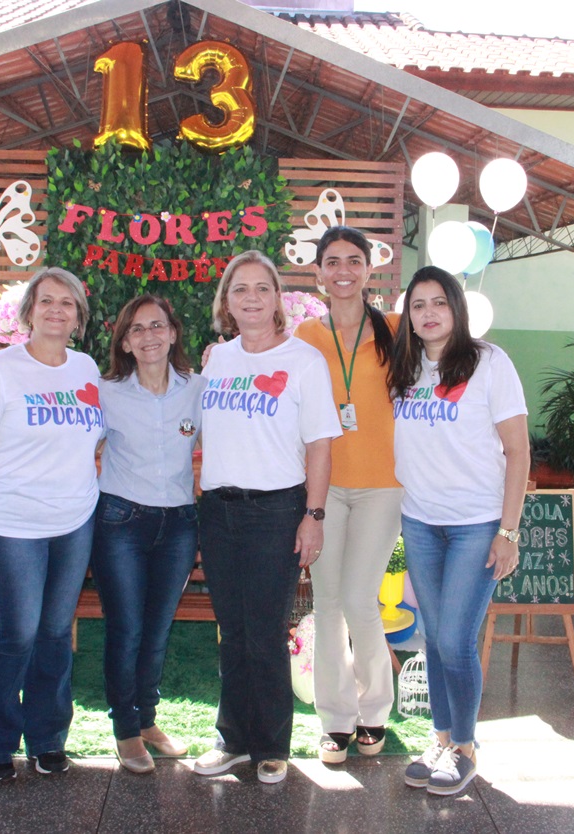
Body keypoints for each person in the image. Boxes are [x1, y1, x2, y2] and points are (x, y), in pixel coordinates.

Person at [192, 250, 341, 785]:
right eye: (240, 289)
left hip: (276, 511)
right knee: (231, 631)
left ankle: (272, 746)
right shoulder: (217, 361)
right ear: (226, 301)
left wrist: (313, 516)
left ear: (277, 298)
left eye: (261, 288)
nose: (251, 298)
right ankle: (232, 739)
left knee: (266, 631)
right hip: (219, 510)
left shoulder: (303, 361)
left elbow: (321, 446)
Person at [0, 267, 104, 783]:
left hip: (75, 523)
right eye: (46, 302)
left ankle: (47, 739)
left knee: (57, 633)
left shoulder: (86, 370)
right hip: (13, 526)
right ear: (28, 312)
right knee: (17, 634)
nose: (57, 310)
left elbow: (95, 439)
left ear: (79, 317)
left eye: (67, 303)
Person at [387, 266, 529, 797]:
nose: (428, 313)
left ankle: (465, 747)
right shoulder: (405, 369)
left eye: (438, 302)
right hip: (421, 522)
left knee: (454, 639)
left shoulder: (490, 363)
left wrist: (508, 533)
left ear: (456, 308)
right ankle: (441, 738)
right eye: (418, 304)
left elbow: (518, 450)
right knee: (432, 637)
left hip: (476, 525)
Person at [293, 226, 401, 763]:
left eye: (353, 260)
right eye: (332, 261)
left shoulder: (397, 329)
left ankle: (375, 709)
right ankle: (335, 720)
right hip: (325, 484)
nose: (343, 270)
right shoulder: (305, 336)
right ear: (317, 273)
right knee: (328, 601)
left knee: (361, 599)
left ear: (368, 270)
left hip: (384, 484)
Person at [91, 293, 205, 774]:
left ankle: (147, 720)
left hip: (179, 525)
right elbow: (73, 446)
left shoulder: (197, 388)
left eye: (157, 326)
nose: (149, 336)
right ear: (125, 342)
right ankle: (125, 731)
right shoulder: (106, 391)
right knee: (127, 628)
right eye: (137, 329)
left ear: (174, 333)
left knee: (156, 631)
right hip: (120, 521)